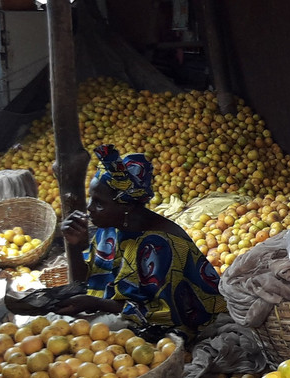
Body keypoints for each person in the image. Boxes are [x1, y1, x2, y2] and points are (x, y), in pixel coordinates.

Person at [55, 144, 227, 341]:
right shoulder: (110, 228)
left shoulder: (161, 245)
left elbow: (162, 315)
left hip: (174, 331)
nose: (90, 208)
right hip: (124, 319)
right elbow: (87, 280)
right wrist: (75, 247)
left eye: (99, 203)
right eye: (91, 199)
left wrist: (96, 304)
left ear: (126, 206)